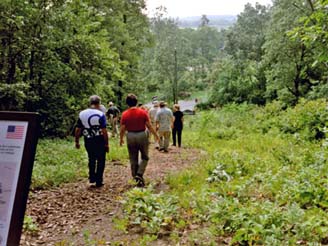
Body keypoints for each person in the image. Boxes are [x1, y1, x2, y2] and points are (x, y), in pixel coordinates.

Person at [120, 93, 159, 187]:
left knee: (133, 158)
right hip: (142, 135)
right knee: (145, 157)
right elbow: (149, 125)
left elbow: (122, 128)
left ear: (127, 103)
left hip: (130, 135)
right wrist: (155, 135)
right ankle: (139, 174)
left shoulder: (125, 114)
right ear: (136, 102)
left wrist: (121, 138)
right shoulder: (142, 112)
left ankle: (136, 178)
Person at [75, 95, 109, 188]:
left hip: (88, 139)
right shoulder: (101, 114)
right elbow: (104, 130)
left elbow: (78, 129)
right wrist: (106, 143)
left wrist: (77, 141)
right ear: (99, 103)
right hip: (99, 139)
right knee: (101, 160)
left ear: (90, 103)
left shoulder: (82, 114)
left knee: (91, 158)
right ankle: (99, 180)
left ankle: (92, 177)